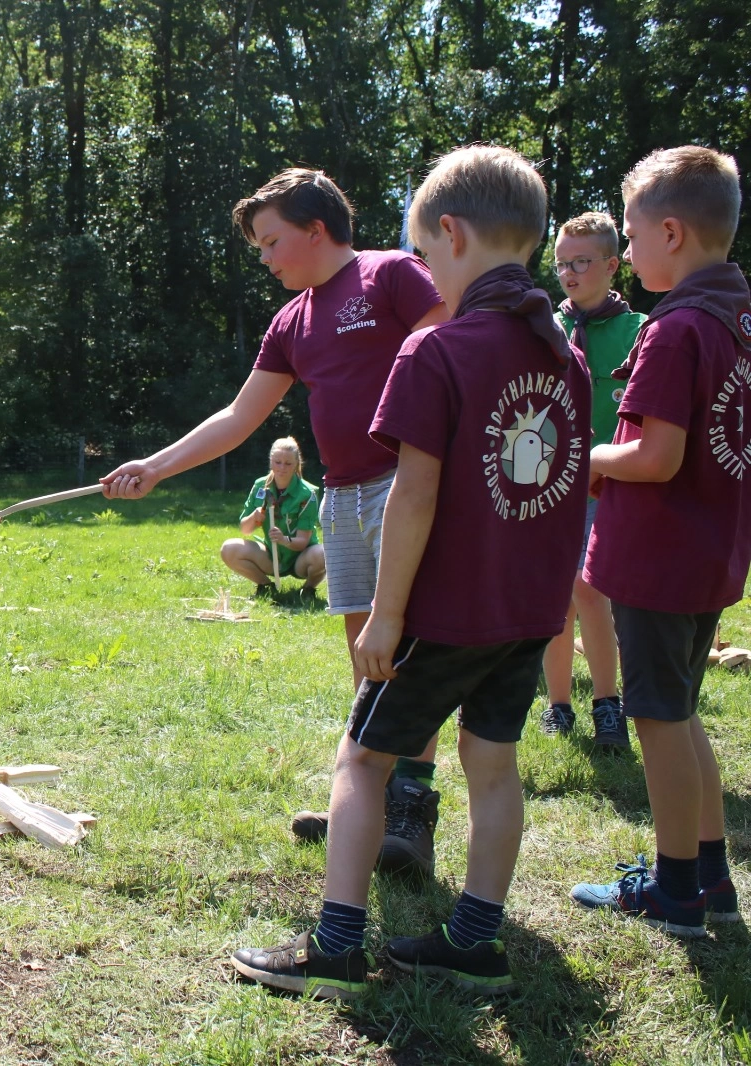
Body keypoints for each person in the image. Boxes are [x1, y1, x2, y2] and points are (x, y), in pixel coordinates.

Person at [232, 144, 590, 999]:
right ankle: (475, 943)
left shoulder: (434, 353)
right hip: (528, 612)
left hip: (445, 610)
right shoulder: (565, 357)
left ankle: (339, 948)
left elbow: (414, 497)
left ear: (453, 235)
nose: (422, 270)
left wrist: (387, 616)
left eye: (425, 254)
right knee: (492, 764)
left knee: (361, 761)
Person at [100, 168, 452, 873]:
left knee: (408, 651)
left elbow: (453, 345)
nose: (264, 259)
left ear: (316, 230)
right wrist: (157, 466)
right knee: (367, 653)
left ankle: (411, 815)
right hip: (343, 497)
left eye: (271, 242)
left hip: (405, 486)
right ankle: (365, 805)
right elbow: (238, 418)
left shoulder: (391, 275)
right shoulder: (293, 320)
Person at [570, 146, 750, 936]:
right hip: (709, 551)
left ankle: (674, 893)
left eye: (633, 237)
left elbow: (655, 456)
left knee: (660, 721)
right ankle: (711, 878)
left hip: (659, 558)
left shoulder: (676, 329)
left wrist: (585, 458)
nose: (630, 252)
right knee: (680, 711)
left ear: (670, 232)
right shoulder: (737, 314)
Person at [539, 212, 646, 747]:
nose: (569, 273)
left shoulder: (639, 332)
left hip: (607, 490)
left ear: (612, 264)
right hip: (546, 486)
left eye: (581, 262)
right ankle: (558, 705)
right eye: (561, 263)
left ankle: (608, 702)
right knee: (553, 596)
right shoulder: (545, 328)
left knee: (590, 592)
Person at [220, 436, 324, 596]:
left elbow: (303, 541)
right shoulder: (260, 486)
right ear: (270, 462)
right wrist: (254, 518)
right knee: (228, 548)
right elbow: (245, 529)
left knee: (325, 553)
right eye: (277, 462)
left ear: (296, 464)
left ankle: (308, 590)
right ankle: (266, 587)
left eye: (288, 463)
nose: (282, 468)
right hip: (270, 554)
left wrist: (283, 540)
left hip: (301, 558)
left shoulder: (308, 494)